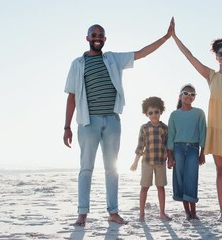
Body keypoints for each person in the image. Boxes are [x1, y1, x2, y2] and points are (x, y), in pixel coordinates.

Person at [63, 20, 173, 227]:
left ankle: (113, 212)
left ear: (104, 39)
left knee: (111, 169)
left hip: (112, 121)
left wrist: (166, 38)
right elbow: (71, 96)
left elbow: (141, 53)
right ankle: (82, 214)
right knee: (86, 168)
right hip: (88, 122)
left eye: (100, 35)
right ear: (87, 38)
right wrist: (67, 126)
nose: (97, 38)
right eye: (93, 35)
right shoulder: (77, 64)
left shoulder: (113, 59)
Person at [171, 18, 222, 222]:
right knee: (220, 170)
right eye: (220, 54)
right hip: (216, 128)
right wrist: (174, 37)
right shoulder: (211, 76)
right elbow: (190, 57)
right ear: (216, 57)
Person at [167, 84, 206, 221]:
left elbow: (203, 134)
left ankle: (194, 212)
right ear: (180, 96)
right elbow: (170, 136)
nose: (189, 96)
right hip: (178, 149)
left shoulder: (199, 113)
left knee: (192, 179)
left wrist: (203, 153)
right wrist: (169, 157)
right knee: (180, 179)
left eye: (192, 94)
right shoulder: (174, 115)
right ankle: (187, 213)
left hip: (193, 150)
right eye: (186, 93)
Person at [130, 96, 171, 222]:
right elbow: (140, 146)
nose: (154, 115)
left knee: (161, 187)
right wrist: (135, 162)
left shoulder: (164, 128)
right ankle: (141, 214)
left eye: (156, 112)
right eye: (150, 113)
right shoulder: (144, 128)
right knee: (144, 187)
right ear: (146, 114)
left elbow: (168, 145)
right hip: (147, 162)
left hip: (160, 162)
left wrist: (170, 159)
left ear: (161, 112)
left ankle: (162, 213)